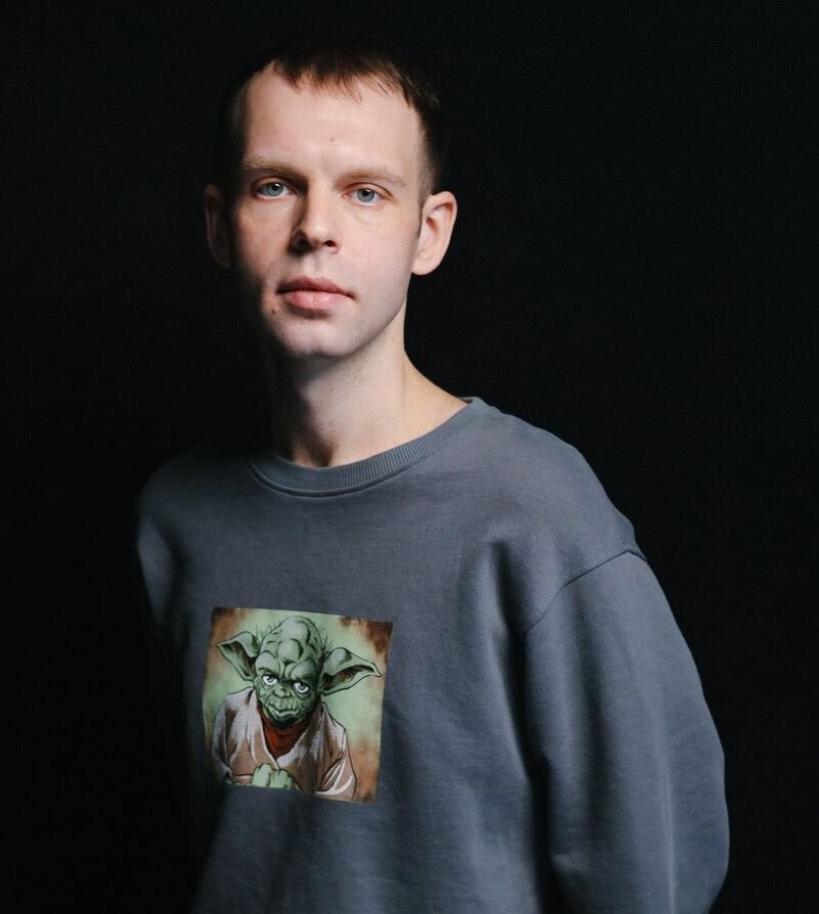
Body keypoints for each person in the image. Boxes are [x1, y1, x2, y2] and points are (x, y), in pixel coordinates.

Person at [136, 32, 729, 913]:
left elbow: (655, 875)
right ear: (222, 225)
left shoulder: (536, 513)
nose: (316, 229)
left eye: (365, 192)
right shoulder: (178, 517)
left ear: (430, 231)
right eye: (276, 185)